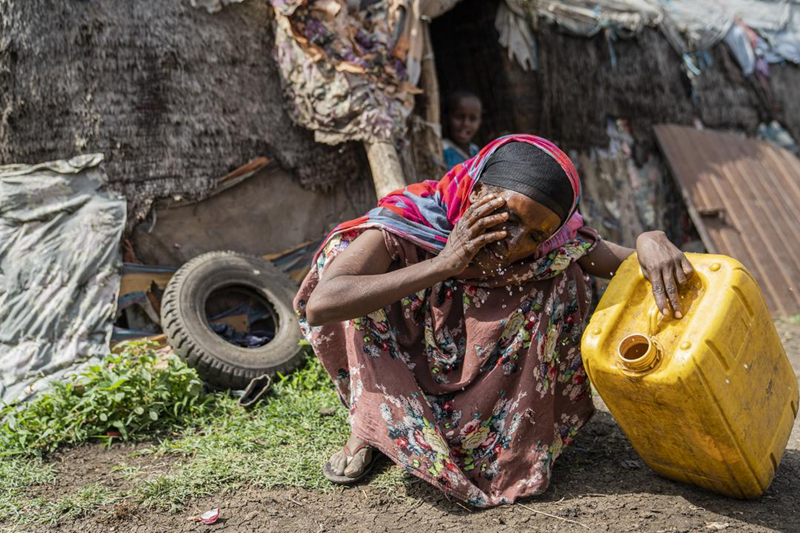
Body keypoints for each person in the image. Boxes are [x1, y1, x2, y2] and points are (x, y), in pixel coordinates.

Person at [294, 134, 693, 507]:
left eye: (535, 236)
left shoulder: (554, 242)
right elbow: (323, 303)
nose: (515, 242)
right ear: (477, 192)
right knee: (347, 270)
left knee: (565, 275)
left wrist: (649, 239)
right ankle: (373, 425)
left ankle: (494, 437)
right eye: (509, 218)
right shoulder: (413, 215)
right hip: (406, 349)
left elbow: (622, 262)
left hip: (477, 366)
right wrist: (443, 264)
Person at [442, 91, 482, 170]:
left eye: (472, 119)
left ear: (479, 122)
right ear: (447, 118)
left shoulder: (475, 151)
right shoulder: (442, 149)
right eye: (459, 117)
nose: (465, 123)